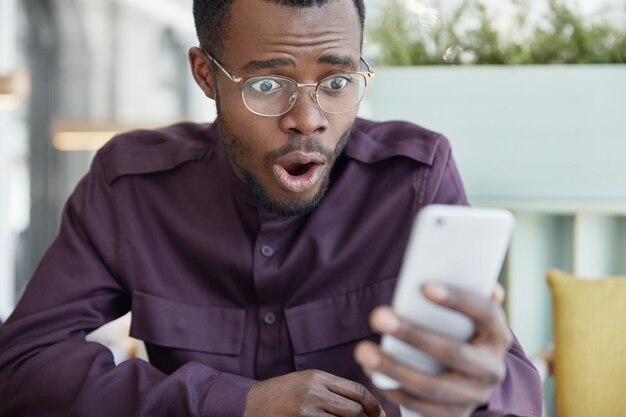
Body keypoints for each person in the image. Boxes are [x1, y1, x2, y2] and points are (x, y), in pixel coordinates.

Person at [0, 0, 543, 416]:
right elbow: (22, 367)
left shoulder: (414, 178)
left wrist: (479, 388)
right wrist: (235, 402)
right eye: (266, 83)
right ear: (206, 75)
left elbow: (510, 388)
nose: (308, 118)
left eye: (337, 81)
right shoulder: (130, 185)